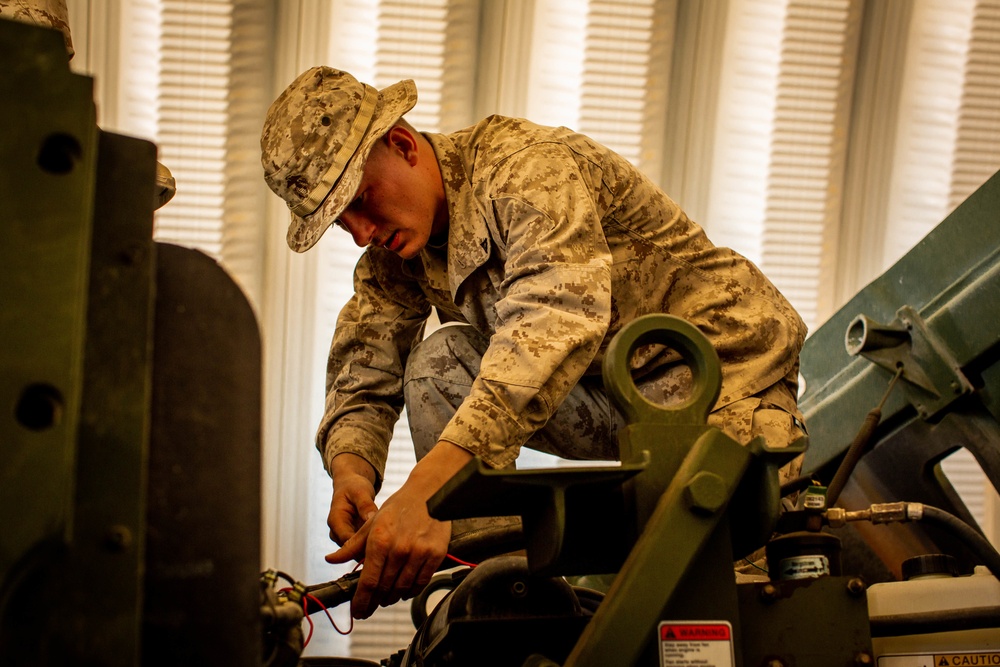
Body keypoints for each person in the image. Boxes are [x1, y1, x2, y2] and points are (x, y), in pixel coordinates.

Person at [260, 67, 807, 619]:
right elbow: (364, 360)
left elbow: (552, 321)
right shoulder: (394, 251)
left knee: (717, 605)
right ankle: (502, 598)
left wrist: (428, 492)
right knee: (439, 366)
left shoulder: (525, 169)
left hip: (723, 382)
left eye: (360, 199)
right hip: (610, 396)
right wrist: (351, 469)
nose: (360, 232)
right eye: (339, 223)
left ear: (402, 145)